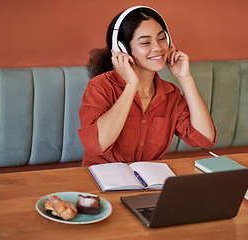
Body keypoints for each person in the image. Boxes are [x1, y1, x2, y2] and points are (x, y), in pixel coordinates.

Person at [78, 6, 216, 166]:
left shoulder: (171, 94)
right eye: (145, 42)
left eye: (162, 38)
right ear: (122, 49)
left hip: (148, 183)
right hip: (100, 180)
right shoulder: (100, 87)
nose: (158, 47)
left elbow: (205, 138)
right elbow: (97, 145)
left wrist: (185, 78)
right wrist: (131, 86)